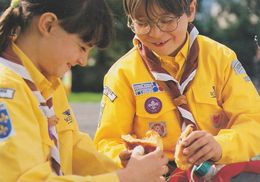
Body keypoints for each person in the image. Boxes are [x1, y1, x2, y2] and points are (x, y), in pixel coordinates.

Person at [0, 0, 168, 181]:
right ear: (48, 25)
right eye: (82, 47)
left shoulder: (47, 84)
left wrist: (126, 170)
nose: (83, 61)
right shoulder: (7, 90)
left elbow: (72, 148)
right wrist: (125, 178)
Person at [94, 0, 260, 180]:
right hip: (159, 174)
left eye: (166, 20)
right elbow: (107, 141)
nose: (156, 33)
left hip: (218, 168)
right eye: (142, 24)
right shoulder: (122, 74)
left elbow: (253, 120)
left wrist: (221, 146)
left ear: (190, 10)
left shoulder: (221, 59)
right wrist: (125, 158)